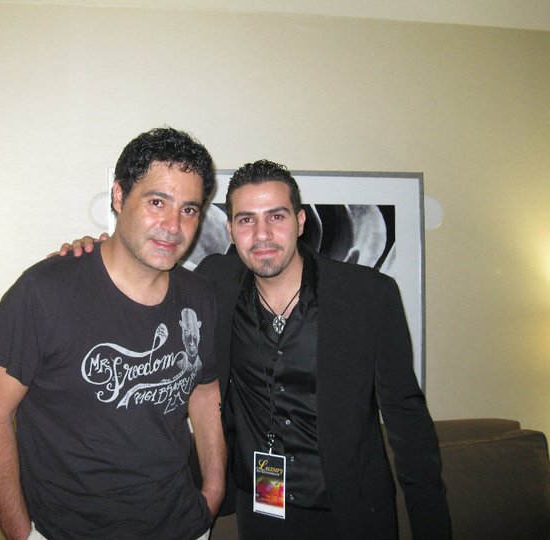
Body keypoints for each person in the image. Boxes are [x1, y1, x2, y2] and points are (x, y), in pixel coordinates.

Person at [62, 159, 451, 539]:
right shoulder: (215, 283)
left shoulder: (367, 295)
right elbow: (143, 275)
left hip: (352, 511)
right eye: (246, 220)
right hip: (262, 508)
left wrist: (431, 527)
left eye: (276, 216)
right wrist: (94, 253)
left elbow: (407, 417)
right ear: (230, 229)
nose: (262, 234)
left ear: (300, 221)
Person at [0, 127, 226, 540]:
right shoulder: (44, 292)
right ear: (119, 196)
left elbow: (205, 391)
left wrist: (212, 493)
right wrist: (21, 534)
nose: (173, 226)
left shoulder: (200, 297)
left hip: (182, 524)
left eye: (188, 209)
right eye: (157, 202)